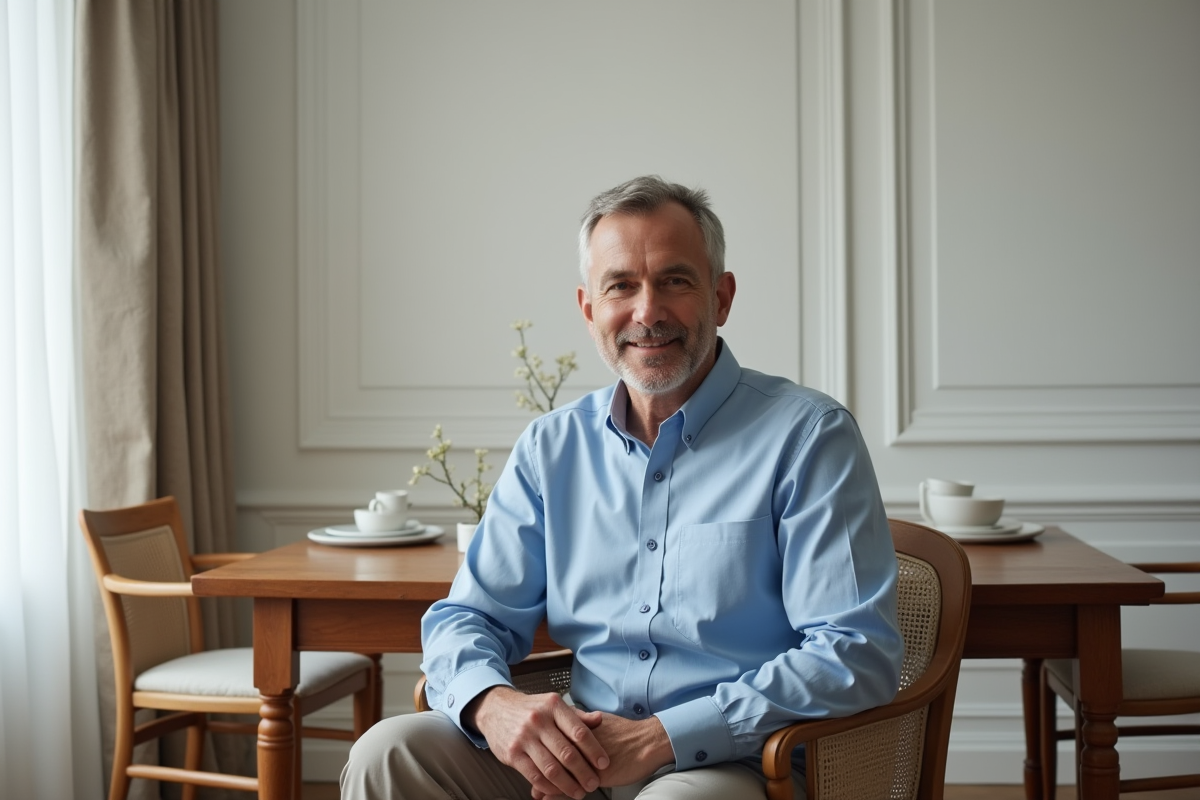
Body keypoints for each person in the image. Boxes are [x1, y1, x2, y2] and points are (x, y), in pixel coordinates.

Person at [341, 176, 903, 800]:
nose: (647, 311)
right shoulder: (551, 448)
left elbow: (856, 651)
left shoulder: (809, 436)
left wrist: (662, 737)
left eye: (675, 281)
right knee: (385, 753)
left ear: (722, 296)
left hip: (732, 765)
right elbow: (469, 616)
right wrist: (491, 703)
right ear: (589, 309)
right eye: (621, 287)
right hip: (578, 756)